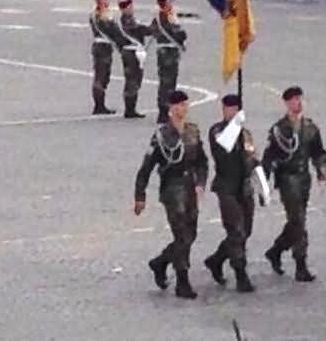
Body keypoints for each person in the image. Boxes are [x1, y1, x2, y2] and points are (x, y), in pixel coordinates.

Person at [134, 90, 208, 300]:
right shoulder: (161, 136)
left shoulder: (193, 132)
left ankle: (161, 262)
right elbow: (146, 168)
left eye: (185, 105)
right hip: (172, 189)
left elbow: (202, 161)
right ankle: (182, 281)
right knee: (182, 235)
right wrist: (140, 196)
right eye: (179, 105)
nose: (183, 109)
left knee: (190, 234)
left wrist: (201, 183)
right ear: (170, 109)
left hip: (190, 187)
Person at [262, 86, 326, 283]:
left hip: (303, 179)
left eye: (299, 99)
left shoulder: (310, 128)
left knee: (295, 221)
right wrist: (265, 184)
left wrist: (322, 174)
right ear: (287, 103)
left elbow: (318, 153)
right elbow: (269, 156)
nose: (297, 103)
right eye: (293, 100)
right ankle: (300, 264)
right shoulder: (279, 129)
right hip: (288, 180)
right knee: (298, 221)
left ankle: (276, 250)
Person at [204, 94, 259, 293]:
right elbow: (224, 147)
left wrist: (262, 186)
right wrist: (235, 126)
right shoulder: (217, 131)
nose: (232, 112)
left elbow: (252, 158)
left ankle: (216, 259)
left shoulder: (246, 134)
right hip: (226, 187)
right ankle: (241, 274)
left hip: (244, 188)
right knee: (236, 231)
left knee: (246, 230)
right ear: (223, 110)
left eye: (236, 109)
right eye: (229, 109)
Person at [150, 0, 187, 124]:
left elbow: (152, 31)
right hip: (169, 53)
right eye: (169, 2)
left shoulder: (157, 18)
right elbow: (180, 34)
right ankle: (164, 112)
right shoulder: (168, 18)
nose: (171, 4)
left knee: (165, 82)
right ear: (165, 3)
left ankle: (164, 110)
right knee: (168, 83)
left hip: (162, 52)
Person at [115, 0, 149, 119]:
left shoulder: (131, 20)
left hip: (134, 51)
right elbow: (140, 29)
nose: (131, 9)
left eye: (131, 6)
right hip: (130, 53)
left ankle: (131, 107)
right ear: (123, 9)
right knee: (132, 79)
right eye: (129, 7)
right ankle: (129, 109)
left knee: (136, 79)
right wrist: (153, 26)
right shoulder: (126, 22)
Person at [88, 0, 118, 116]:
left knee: (103, 75)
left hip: (102, 46)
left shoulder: (96, 14)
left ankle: (100, 104)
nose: (107, 1)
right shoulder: (101, 15)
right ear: (99, 1)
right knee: (101, 76)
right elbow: (112, 29)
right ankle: (99, 106)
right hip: (102, 47)